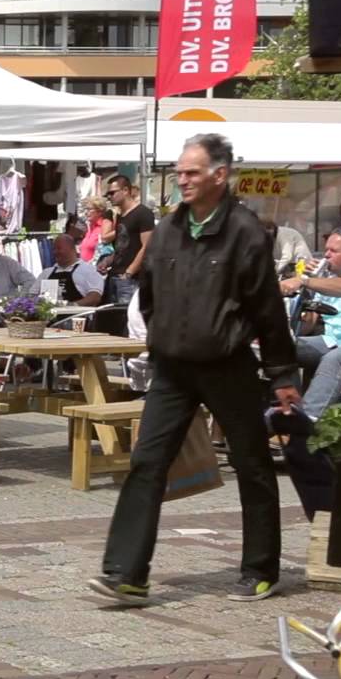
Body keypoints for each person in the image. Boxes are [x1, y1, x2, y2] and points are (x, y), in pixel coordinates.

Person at [91, 133, 300, 605]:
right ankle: (126, 573)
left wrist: (283, 375)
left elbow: (267, 310)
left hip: (228, 366)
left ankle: (261, 569)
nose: (181, 180)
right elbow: (150, 295)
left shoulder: (245, 232)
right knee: (147, 462)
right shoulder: (168, 230)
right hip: (173, 367)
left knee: (251, 463)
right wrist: (160, 340)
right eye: (180, 172)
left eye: (191, 172)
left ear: (219, 175)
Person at [271, 225, 341, 519]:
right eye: (327, 249)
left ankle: (309, 424)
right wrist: (303, 310)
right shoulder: (328, 275)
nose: (327, 255)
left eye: (334, 251)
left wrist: (306, 279)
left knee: (335, 361)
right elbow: (315, 321)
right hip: (331, 340)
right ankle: (286, 410)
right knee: (283, 348)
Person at [104, 175, 155, 306]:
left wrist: (129, 272)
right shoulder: (120, 215)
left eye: (112, 193)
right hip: (115, 275)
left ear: (126, 190)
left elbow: (148, 246)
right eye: (108, 194)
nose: (109, 197)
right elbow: (123, 246)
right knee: (114, 320)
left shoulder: (143, 213)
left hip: (131, 280)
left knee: (126, 320)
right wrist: (108, 260)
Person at [36, 234, 105, 307]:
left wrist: (72, 305)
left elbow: (95, 297)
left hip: (77, 316)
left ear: (71, 248)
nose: (55, 252)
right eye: (54, 249)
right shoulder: (46, 273)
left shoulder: (89, 270)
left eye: (59, 248)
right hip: (48, 316)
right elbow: (32, 295)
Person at [78, 196, 113, 264]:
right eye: (86, 209)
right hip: (84, 270)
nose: (86, 212)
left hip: (95, 270)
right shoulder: (89, 228)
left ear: (99, 211)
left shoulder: (104, 227)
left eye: (89, 209)